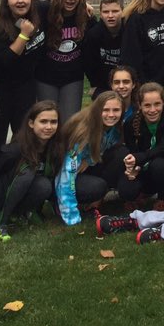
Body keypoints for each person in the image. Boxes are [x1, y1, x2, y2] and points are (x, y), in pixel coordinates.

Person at [0, 100, 61, 241]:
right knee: (27, 171)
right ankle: (1, 222)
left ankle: (22, 213)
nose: (49, 127)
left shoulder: (55, 146)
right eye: (43, 121)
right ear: (31, 123)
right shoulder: (15, 149)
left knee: (44, 184)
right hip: (1, 193)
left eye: (53, 122)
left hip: (24, 191)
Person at [55, 91, 127, 226]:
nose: (111, 114)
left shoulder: (115, 128)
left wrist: (89, 161)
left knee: (121, 153)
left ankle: (94, 201)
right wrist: (71, 215)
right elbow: (66, 175)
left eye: (116, 110)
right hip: (64, 175)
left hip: (86, 167)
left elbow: (103, 149)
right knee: (97, 187)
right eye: (105, 110)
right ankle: (59, 203)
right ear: (97, 109)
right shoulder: (83, 131)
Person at [0, 0, 44, 142]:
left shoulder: (37, 13)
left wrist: (84, 4)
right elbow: (7, 60)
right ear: (6, 1)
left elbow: (58, 2)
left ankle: (20, 166)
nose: (21, 1)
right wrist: (24, 35)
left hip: (26, 86)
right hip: (2, 89)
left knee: (23, 135)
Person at [38, 0, 92, 124]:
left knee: (70, 123)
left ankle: (67, 148)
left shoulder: (87, 17)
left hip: (72, 79)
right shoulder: (45, 12)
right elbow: (24, 9)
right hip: (46, 78)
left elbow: (98, 39)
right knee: (47, 120)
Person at [119, 82, 164, 209]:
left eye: (157, 104)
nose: (152, 110)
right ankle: (143, 192)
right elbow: (132, 150)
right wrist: (134, 168)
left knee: (159, 164)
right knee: (127, 192)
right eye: (147, 105)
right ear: (140, 105)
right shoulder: (130, 123)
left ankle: (163, 197)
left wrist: (139, 157)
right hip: (142, 168)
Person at [119, 0, 164, 88]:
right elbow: (131, 54)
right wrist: (140, 81)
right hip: (143, 80)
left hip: (163, 78)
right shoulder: (137, 18)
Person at [83, 0, 125, 99]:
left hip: (126, 83)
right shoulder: (94, 34)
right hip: (103, 84)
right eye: (106, 12)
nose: (110, 15)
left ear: (123, 12)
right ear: (100, 14)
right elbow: (90, 64)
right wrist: (95, 85)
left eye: (115, 11)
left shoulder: (130, 30)